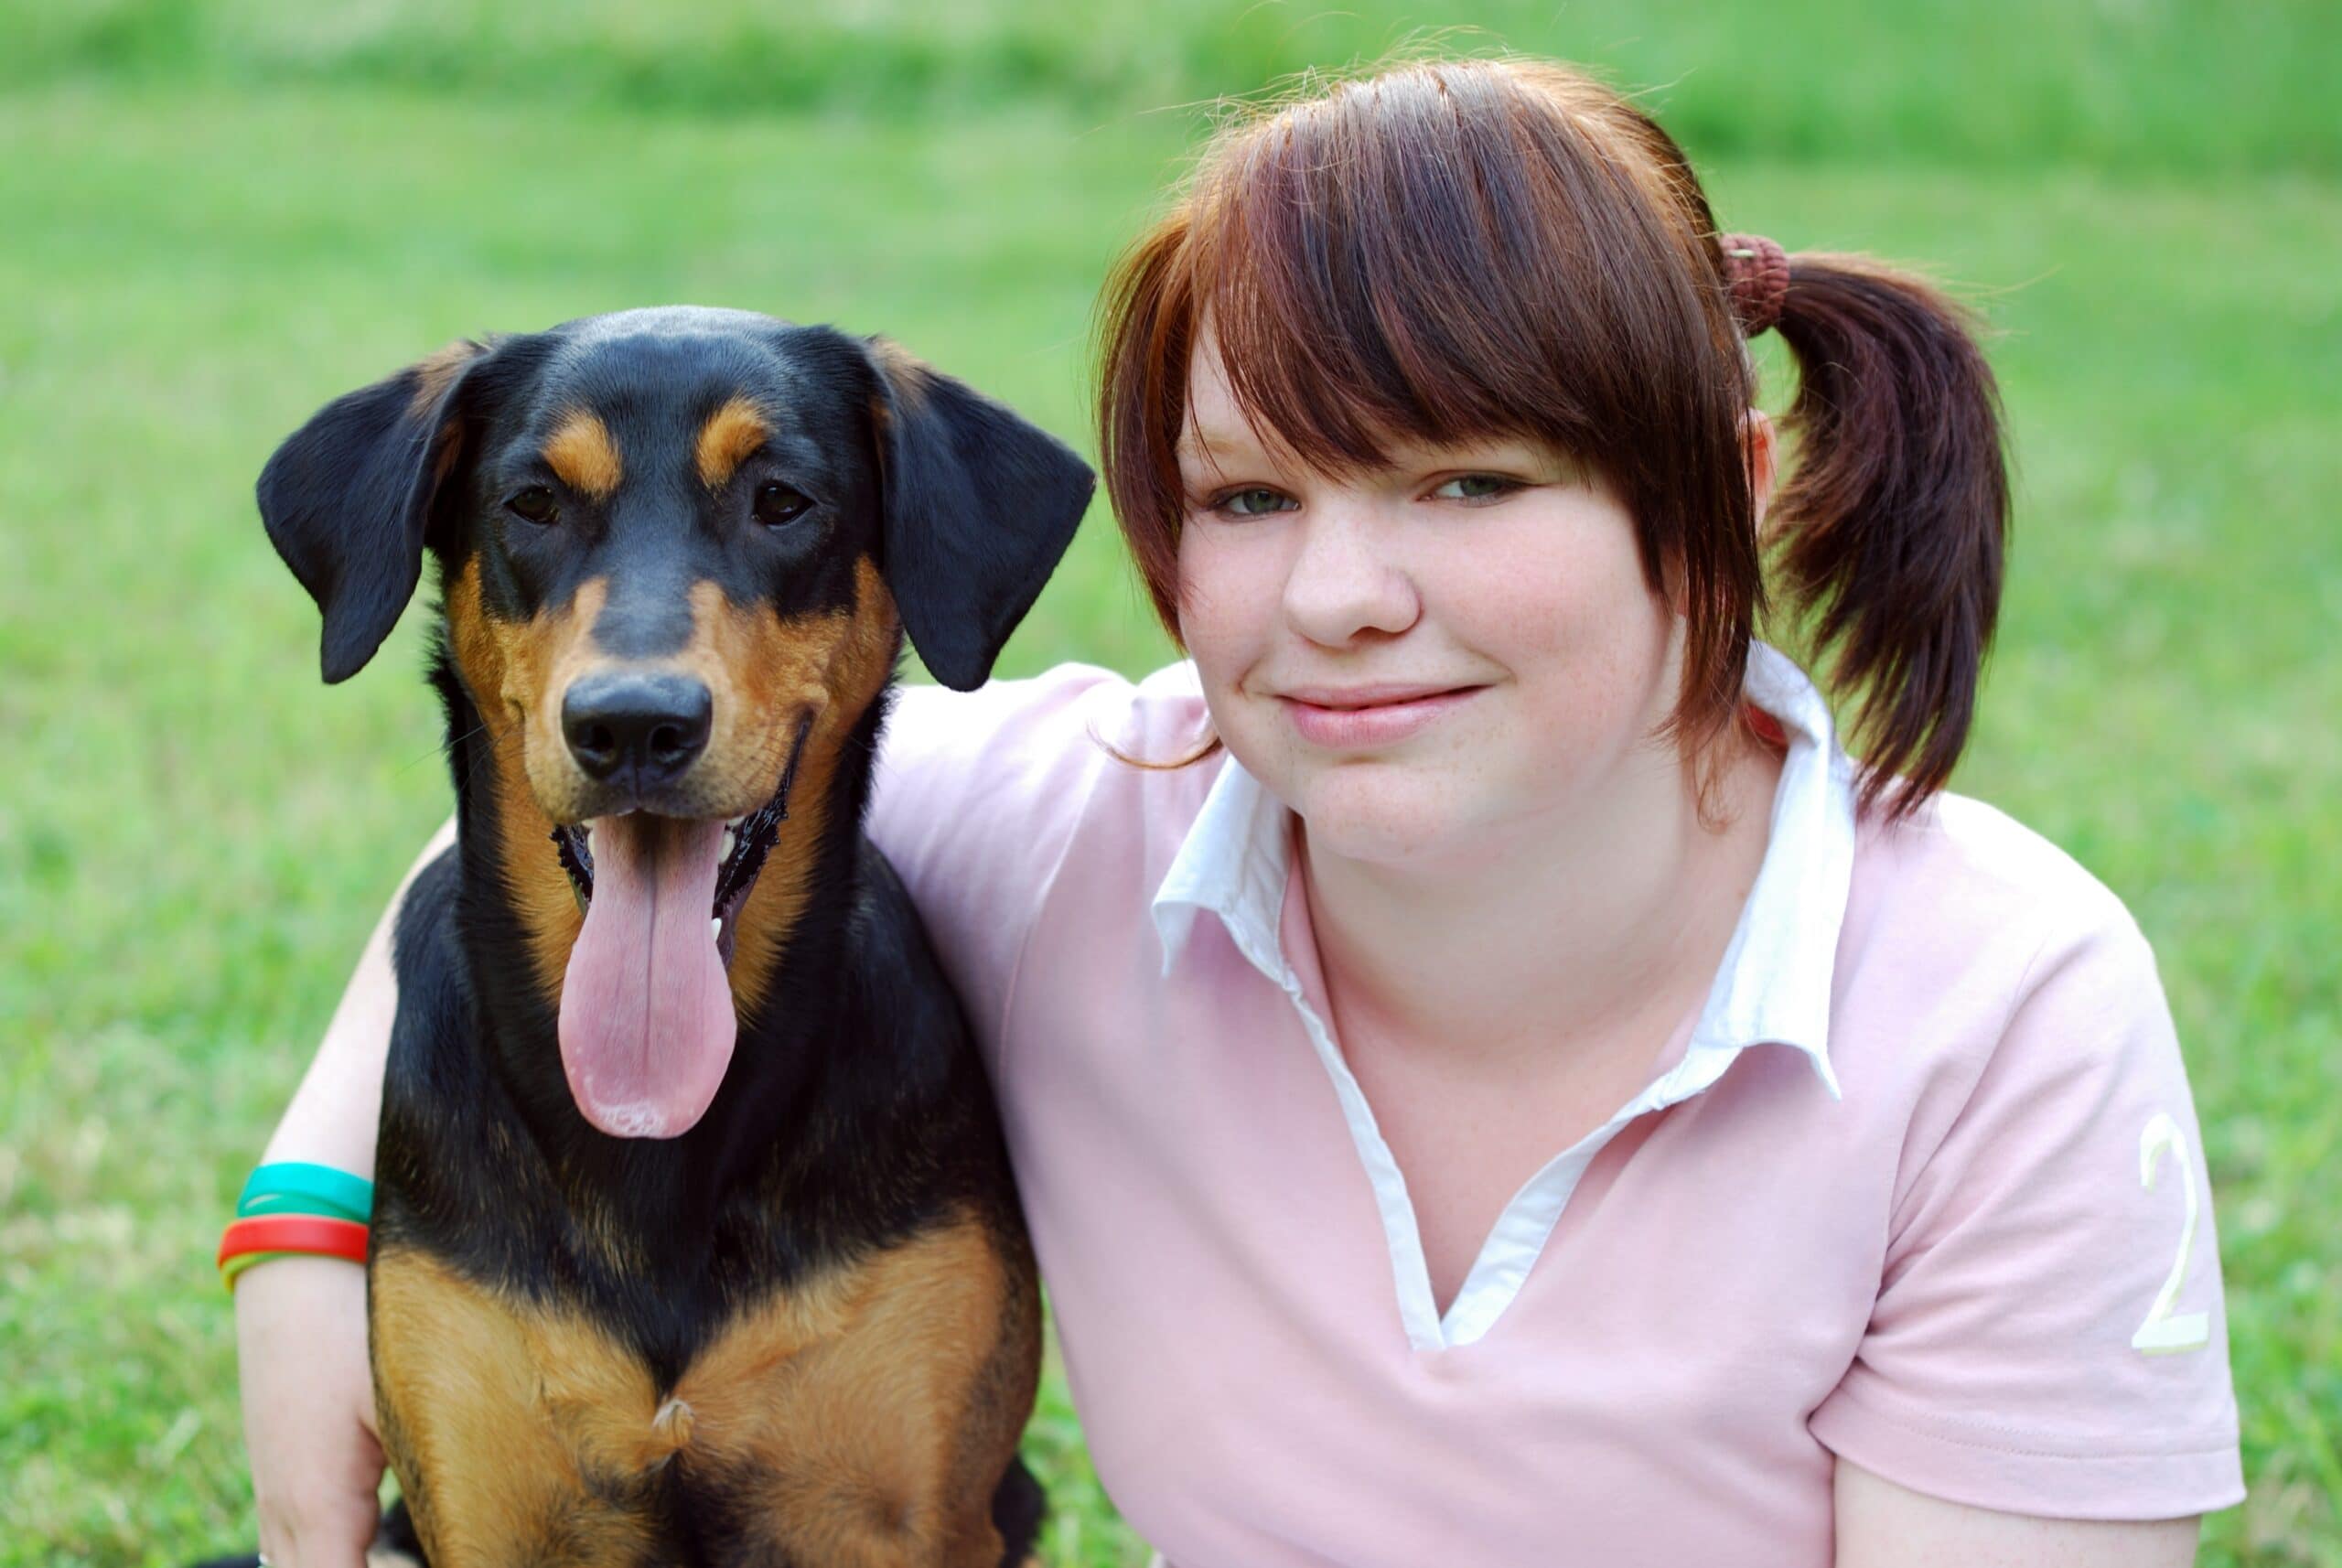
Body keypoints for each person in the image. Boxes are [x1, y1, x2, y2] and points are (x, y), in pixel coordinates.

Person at [230, 56, 2242, 1567]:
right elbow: (562, 826)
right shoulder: (1091, 826)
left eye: (1468, 482)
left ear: (1706, 489)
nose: (1342, 594)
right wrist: (311, 1220)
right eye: (1251, 498)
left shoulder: (1992, 999)